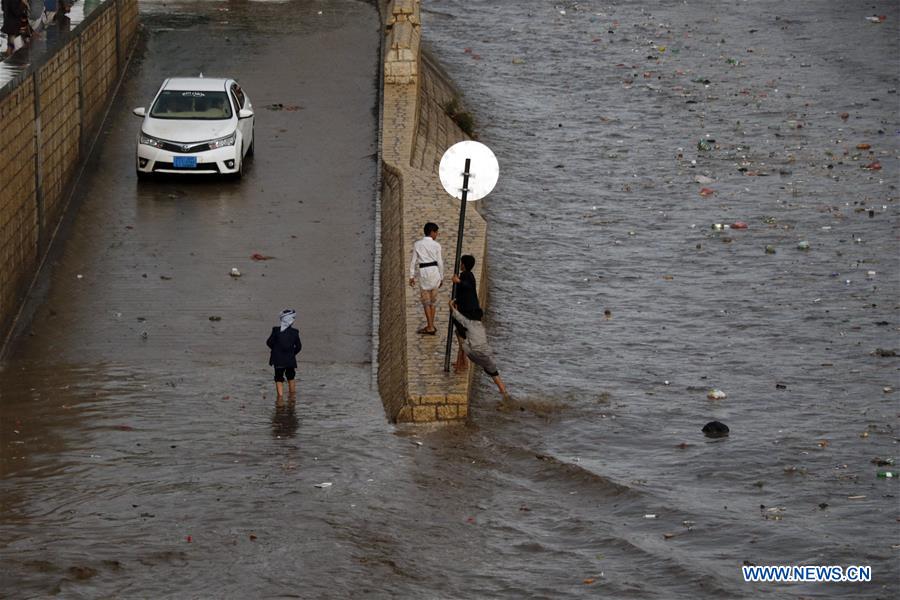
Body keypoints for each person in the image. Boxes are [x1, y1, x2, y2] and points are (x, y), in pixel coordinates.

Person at [449, 298, 508, 398]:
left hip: (475, 354)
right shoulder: (481, 326)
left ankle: (460, 366)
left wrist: (451, 306)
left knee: (461, 340)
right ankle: (505, 394)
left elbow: (458, 317)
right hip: (488, 355)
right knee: (495, 375)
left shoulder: (469, 323)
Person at [408, 222, 443, 335]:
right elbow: (440, 262)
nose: (437, 234)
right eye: (436, 232)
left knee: (426, 302)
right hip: (435, 273)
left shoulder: (417, 244)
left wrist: (411, 276)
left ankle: (430, 326)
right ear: (432, 232)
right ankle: (431, 325)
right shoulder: (437, 245)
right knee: (433, 302)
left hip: (424, 274)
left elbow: (413, 261)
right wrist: (441, 277)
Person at [451, 254, 480, 372]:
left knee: (462, 339)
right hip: (467, 312)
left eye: (461, 262)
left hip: (468, 314)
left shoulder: (467, 276)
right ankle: (462, 362)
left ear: (464, 264)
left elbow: (469, 287)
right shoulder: (467, 275)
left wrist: (459, 281)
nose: (460, 265)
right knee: (460, 336)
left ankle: (460, 365)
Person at [266, 309, 302, 400]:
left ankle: (280, 398)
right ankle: (292, 396)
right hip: (290, 359)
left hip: (278, 359)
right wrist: (291, 353)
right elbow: (299, 347)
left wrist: (276, 350)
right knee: (291, 376)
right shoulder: (295, 332)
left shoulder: (276, 330)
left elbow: (269, 342)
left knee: (278, 378)